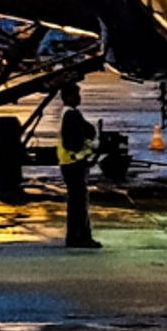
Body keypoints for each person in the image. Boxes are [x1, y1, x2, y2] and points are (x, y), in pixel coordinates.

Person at [56, 84, 99, 248]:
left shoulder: (68, 114)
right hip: (73, 163)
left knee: (76, 201)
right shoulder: (71, 115)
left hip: (69, 163)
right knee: (79, 203)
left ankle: (75, 236)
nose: (79, 98)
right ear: (67, 97)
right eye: (76, 95)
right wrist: (83, 153)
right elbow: (72, 141)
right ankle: (80, 236)